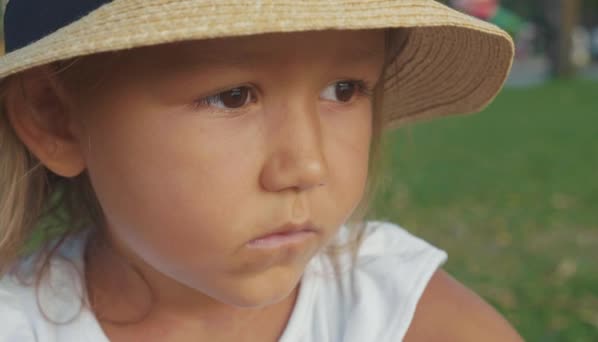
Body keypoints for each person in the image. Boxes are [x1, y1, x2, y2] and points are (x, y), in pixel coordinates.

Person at [0, 1, 523, 341]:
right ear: (57, 118)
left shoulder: (394, 309)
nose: (307, 166)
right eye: (233, 97)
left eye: (344, 90)